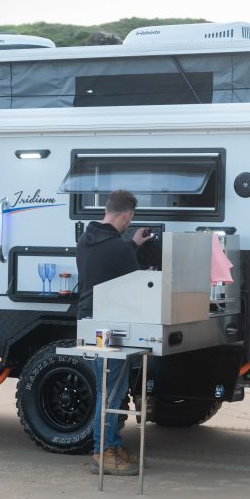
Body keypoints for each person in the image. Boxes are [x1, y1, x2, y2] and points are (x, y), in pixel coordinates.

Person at [76, 189, 152, 476]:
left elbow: (106, 269)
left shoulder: (85, 240)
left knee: (108, 387)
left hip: (92, 322)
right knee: (111, 392)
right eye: (130, 219)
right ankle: (103, 452)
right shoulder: (119, 248)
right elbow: (133, 288)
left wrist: (132, 245)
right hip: (113, 327)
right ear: (126, 215)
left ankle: (112, 445)